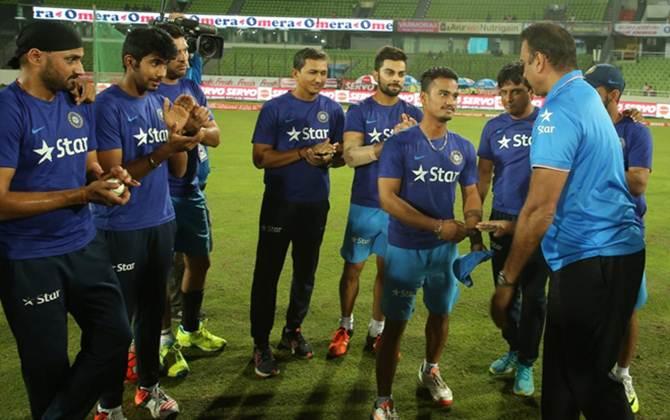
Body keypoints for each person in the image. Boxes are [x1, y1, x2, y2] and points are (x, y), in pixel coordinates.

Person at [490, 23, 645, 419]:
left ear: (540, 60)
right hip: (608, 256)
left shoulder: (557, 113)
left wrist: (507, 282)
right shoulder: (585, 97)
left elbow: (540, 208)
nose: (523, 72)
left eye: (525, 62)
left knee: (587, 380)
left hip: (592, 260)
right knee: (560, 380)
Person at [0, 21, 134, 420]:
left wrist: (104, 178)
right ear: (36, 57)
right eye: (72, 59)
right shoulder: (8, 112)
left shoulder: (76, 102)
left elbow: (87, 160)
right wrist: (81, 195)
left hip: (82, 241)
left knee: (115, 334)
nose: (81, 69)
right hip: (29, 257)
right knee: (47, 366)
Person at [93, 26, 204, 420]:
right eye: (155, 63)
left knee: (153, 309)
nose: (162, 71)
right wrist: (165, 148)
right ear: (130, 61)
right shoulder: (107, 106)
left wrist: (186, 132)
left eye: (165, 62)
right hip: (120, 225)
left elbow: (177, 169)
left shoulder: (158, 102)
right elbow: (114, 174)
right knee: (117, 321)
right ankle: (107, 405)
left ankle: (148, 388)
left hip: (161, 220)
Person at [372, 66, 483, 418]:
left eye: (454, 94)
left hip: (444, 252)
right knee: (395, 324)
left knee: (440, 313)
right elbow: (388, 199)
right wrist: (438, 226)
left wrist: (473, 225)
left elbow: (471, 195)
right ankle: (384, 400)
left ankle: (430, 369)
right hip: (405, 249)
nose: (451, 100)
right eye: (443, 94)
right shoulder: (400, 144)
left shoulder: (464, 148)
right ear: (423, 98)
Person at [250, 48, 344, 378]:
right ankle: (260, 343)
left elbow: (341, 155)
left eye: (323, 73)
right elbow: (260, 158)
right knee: (267, 275)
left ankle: (293, 330)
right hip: (279, 203)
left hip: (316, 204)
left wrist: (330, 156)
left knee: (305, 273)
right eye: (312, 72)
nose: (319, 79)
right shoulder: (275, 108)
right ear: (295, 73)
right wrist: (304, 153)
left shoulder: (332, 110)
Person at [327, 46, 422, 359]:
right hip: (365, 203)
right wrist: (391, 143)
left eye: (401, 73)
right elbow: (351, 156)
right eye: (390, 72)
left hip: (396, 207)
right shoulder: (360, 111)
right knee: (353, 268)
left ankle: (376, 330)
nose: (396, 79)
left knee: (388, 271)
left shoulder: (414, 114)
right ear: (377, 73)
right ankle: (345, 325)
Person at [156, 23, 225, 379]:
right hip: (157, 195)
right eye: (177, 53)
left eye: (186, 51)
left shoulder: (191, 85)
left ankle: (190, 328)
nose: (185, 58)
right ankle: (165, 341)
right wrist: (186, 131)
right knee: (162, 271)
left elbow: (214, 136)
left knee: (200, 262)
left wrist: (196, 129)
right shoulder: (149, 95)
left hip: (191, 191)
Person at [585, 63, 653, 414]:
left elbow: (639, 181)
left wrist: (588, 174)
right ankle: (588, 371)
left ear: (612, 95)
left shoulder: (636, 132)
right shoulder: (583, 126)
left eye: (593, 89)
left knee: (625, 312)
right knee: (584, 309)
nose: (586, 94)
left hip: (624, 236)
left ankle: (622, 373)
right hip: (583, 234)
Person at [476, 62, 547, 396]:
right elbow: (483, 176)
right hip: (500, 216)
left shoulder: (547, 124)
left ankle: (526, 362)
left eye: (515, 90)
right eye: (502, 92)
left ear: (529, 90)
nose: (507, 98)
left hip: (537, 219)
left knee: (534, 298)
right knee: (505, 295)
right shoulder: (493, 128)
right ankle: (515, 349)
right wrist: (475, 217)